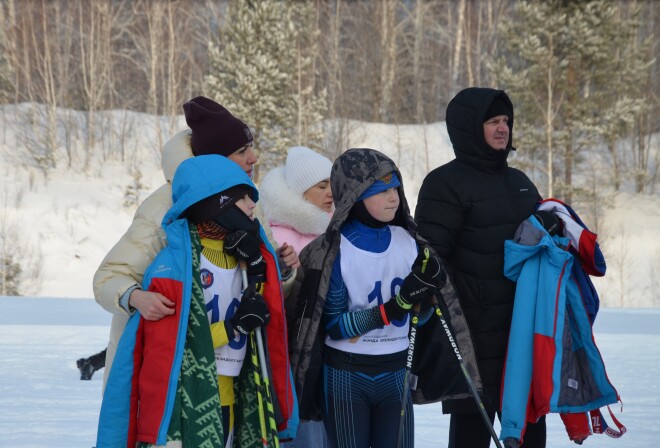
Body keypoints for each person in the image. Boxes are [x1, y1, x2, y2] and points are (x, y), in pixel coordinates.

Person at [92, 96, 299, 412]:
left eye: (251, 148)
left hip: (235, 368)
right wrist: (135, 297)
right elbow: (109, 277)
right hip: (171, 375)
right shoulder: (166, 206)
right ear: (214, 159)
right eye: (241, 151)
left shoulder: (250, 204)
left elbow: (262, 284)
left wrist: (281, 270)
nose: (254, 158)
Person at [289, 148, 449, 448]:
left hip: (396, 372)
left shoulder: (410, 243)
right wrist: (396, 306)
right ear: (355, 195)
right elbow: (335, 325)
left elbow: (419, 320)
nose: (393, 198)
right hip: (347, 375)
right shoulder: (334, 250)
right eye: (381, 191)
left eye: (395, 189)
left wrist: (426, 299)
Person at [415, 87, 545, 448]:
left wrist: (552, 227)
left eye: (506, 120)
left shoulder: (520, 183)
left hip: (520, 332)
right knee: (471, 437)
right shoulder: (444, 184)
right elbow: (431, 258)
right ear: (470, 127)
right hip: (471, 338)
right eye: (492, 121)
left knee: (531, 436)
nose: (503, 128)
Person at [259, 145, 333, 447]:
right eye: (322, 186)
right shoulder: (276, 235)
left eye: (332, 185)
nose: (330, 193)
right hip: (292, 348)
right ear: (302, 191)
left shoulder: (333, 230)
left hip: (331, 345)